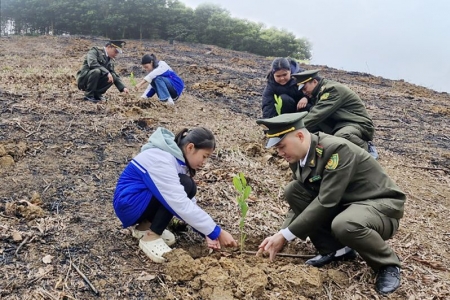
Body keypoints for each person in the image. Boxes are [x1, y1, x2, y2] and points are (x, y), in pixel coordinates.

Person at [256, 112, 406, 295]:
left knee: (345, 224)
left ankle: (388, 265)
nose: (279, 153)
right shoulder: (298, 157)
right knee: (294, 190)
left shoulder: (337, 150)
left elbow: (326, 201)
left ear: (300, 136)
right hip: (347, 203)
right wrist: (281, 233)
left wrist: (286, 235)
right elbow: (307, 197)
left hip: (379, 206)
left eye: (281, 146)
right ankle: (337, 250)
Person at [113, 126, 237, 263]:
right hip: (129, 204)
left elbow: (188, 203)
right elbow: (178, 202)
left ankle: (144, 227)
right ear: (190, 147)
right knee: (186, 186)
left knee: (187, 187)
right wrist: (217, 232)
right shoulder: (162, 159)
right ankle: (151, 236)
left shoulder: (177, 160)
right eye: (204, 156)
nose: (204, 162)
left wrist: (207, 232)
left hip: (138, 202)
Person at [292, 69, 378, 159]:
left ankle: (366, 149)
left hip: (358, 123)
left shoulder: (331, 90)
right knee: (313, 133)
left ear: (314, 81)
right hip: (340, 123)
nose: (304, 92)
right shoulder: (318, 91)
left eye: (305, 88)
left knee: (342, 136)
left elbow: (317, 114)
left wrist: (293, 129)